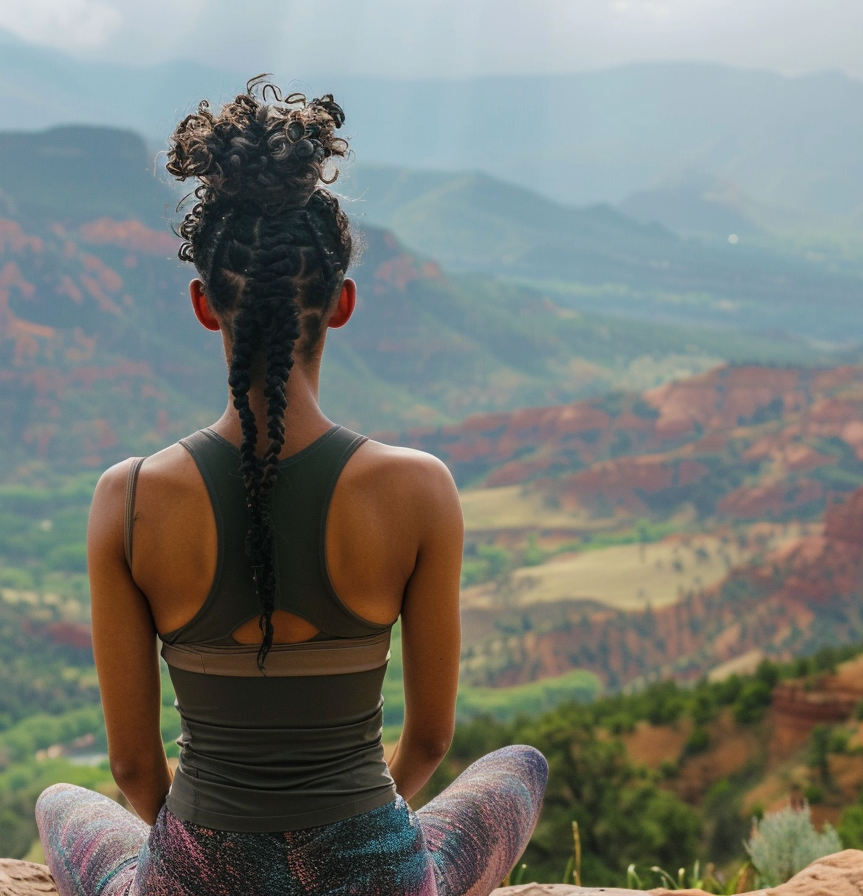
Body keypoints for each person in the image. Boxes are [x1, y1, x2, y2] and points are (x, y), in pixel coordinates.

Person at [34, 78, 548, 896]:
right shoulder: (421, 490)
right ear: (340, 303)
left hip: (194, 872)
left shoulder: (126, 499)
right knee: (520, 767)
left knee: (60, 801)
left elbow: (132, 768)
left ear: (206, 305)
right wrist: (353, 847)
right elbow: (429, 739)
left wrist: (207, 861)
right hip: (378, 871)